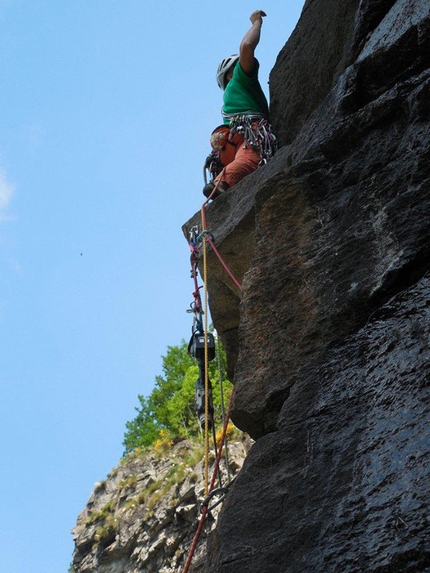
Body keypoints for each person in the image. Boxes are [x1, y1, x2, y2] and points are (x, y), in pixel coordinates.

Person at [203, 10, 276, 199]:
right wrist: (256, 23)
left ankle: (221, 178)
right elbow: (246, 46)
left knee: (241, 158)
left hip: (227, 148)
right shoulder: (240, 81)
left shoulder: (228, 104)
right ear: (230, 74)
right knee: (251, 159)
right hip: (248, 133)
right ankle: (222, 182)